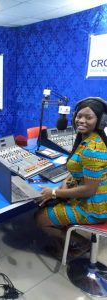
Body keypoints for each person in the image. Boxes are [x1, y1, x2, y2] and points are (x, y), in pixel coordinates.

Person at [35, 97, 107, 259]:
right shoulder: (89, 139)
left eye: (89, 117)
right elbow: (79, 169)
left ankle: (80, 243)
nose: (81, 120)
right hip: (94, 200)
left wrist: (54, 193)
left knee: (40, 219)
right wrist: (65, 182)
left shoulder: (93, 149)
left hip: (95, 208)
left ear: (101, 121)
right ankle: (68, 240)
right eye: (79, 116)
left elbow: (89, 190)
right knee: (45, 206)